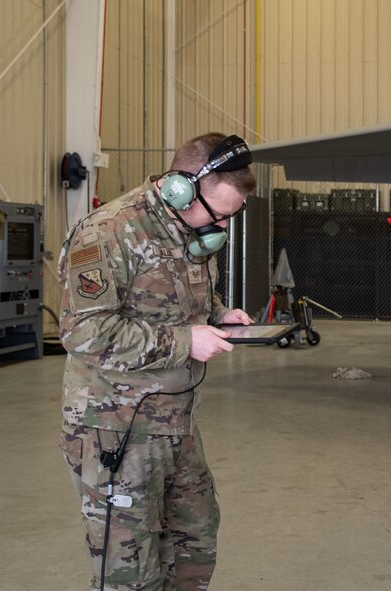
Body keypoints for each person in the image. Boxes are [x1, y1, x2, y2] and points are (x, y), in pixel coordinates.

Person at [58, 132, 256, 590]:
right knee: (129, 570)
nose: (222, 228)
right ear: (178, 188)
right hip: (116, 429)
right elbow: (83, 332)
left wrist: (219, 314)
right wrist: (186, 341)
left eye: (232, 216)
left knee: (195, 540)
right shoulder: (106, 233)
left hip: (175, 422)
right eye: (219, 214)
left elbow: (176, 300)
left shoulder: (191, 227)